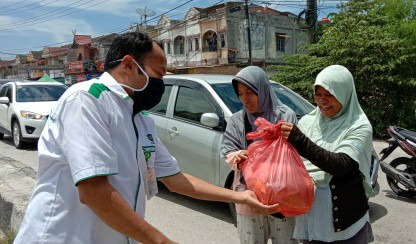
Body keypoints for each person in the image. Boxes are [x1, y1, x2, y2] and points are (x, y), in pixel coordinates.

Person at [14, 32, 276, 244]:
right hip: (64, 237)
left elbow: (176, 180)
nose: (161, 83)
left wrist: (240, 197)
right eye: (159, 74)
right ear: (129, 64)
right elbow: (93, 192)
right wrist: (160, 241)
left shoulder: (140, 119)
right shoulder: (87, 99)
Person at [279, 65, 377, 243]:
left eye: (329, 95)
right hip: (310, 222)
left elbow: (340, 165)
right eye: (318, 94)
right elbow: (292, 162)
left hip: (345, 228)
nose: (322, 101)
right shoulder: (309, 122)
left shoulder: (359, 126)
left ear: (344, 93)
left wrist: (299, 140)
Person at [222, 66, 298, 244]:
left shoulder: (286, 116)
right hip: (248, 196)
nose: (245, 99)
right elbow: (228, 151)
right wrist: (238, 155)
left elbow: (294, 151)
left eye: (249, 92)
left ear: (262, 89)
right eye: (240, 93)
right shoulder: (236, 120)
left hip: (281, 196)